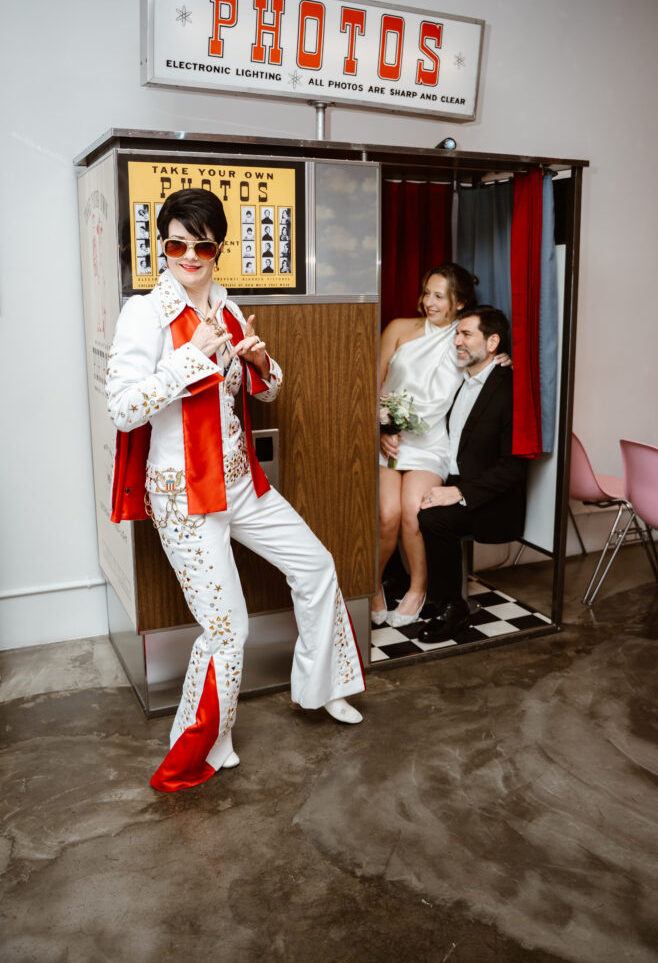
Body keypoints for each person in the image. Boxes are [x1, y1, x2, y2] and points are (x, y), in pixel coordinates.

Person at [107, 188, 365, 793]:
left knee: (317, 566)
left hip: (241, 483)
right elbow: (122, 408)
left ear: (219, 249)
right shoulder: (145, 314)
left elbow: (267, 390)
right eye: (176, 244)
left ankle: (322, 687)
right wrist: (189, 358)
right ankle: (206, 744)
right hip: (184, 497)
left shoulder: (226, 306)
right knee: (229, 631)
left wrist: (260, 362)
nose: (187, 256)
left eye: (201, 246)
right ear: (161, 246)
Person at [372, 264, 480, 628]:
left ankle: (418, 589)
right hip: (389, 440)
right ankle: (372, 584)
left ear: (459, 302)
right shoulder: (398, 329)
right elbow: (373, 383)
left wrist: (502, 359)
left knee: (413, 513)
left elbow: (486, 362)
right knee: (387, 514)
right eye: (426, 293)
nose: (428, 302)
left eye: (439, 296)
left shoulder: (464, 341)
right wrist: (380, 429)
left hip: (430, 443)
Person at [417, 305, 527, 643]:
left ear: (492, 343)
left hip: (491, 499)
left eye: (466, 334)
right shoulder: (460, 380)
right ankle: (429, 595)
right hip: (455, 480)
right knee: (403, 505)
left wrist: (459, 493)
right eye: (456, 334)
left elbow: (513, 466)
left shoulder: (510, 389)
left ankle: (454, 609)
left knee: (434, 519)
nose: (457, 341)